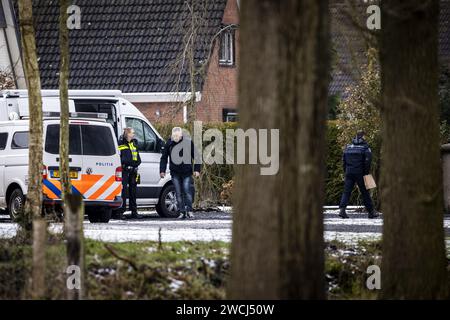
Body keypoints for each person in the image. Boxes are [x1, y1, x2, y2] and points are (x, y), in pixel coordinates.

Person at [160, 127, 201, 219]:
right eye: (174, 136)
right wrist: (162, 170)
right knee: (178, 193)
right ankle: (182, 212)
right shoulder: (169, 143)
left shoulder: (188, 142)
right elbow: (163, 158)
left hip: (186, 172)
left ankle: (189, 211)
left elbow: (197, 156)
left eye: (178, 136)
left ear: (181, 135)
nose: (176, 138)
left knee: (187, 191)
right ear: (172, 135)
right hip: (175, 172)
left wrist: (197, 170)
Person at [339, 130, 379, 219]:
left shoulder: (348, 147)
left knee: (346, 192)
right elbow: (367, 162)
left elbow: (344, 161)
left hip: (349, 172)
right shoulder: (365, 148)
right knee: (365, 192)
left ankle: (342, 210)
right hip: (360, 173)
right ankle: (371, 212)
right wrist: (366, 173)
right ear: (363, 137)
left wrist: (346, 171)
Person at [118, 128, 141, 219]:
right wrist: (125, 165)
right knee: (123, 191)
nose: (133, 135)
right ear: (127, 134)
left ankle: (134, 212)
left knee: (133, 192)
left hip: (133, 171)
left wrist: (135, 166)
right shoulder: (120, 143)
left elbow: (138, 158)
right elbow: (120, 157)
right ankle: (121, 212)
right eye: (132, 133)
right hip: (124, 170)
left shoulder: (134, 144)